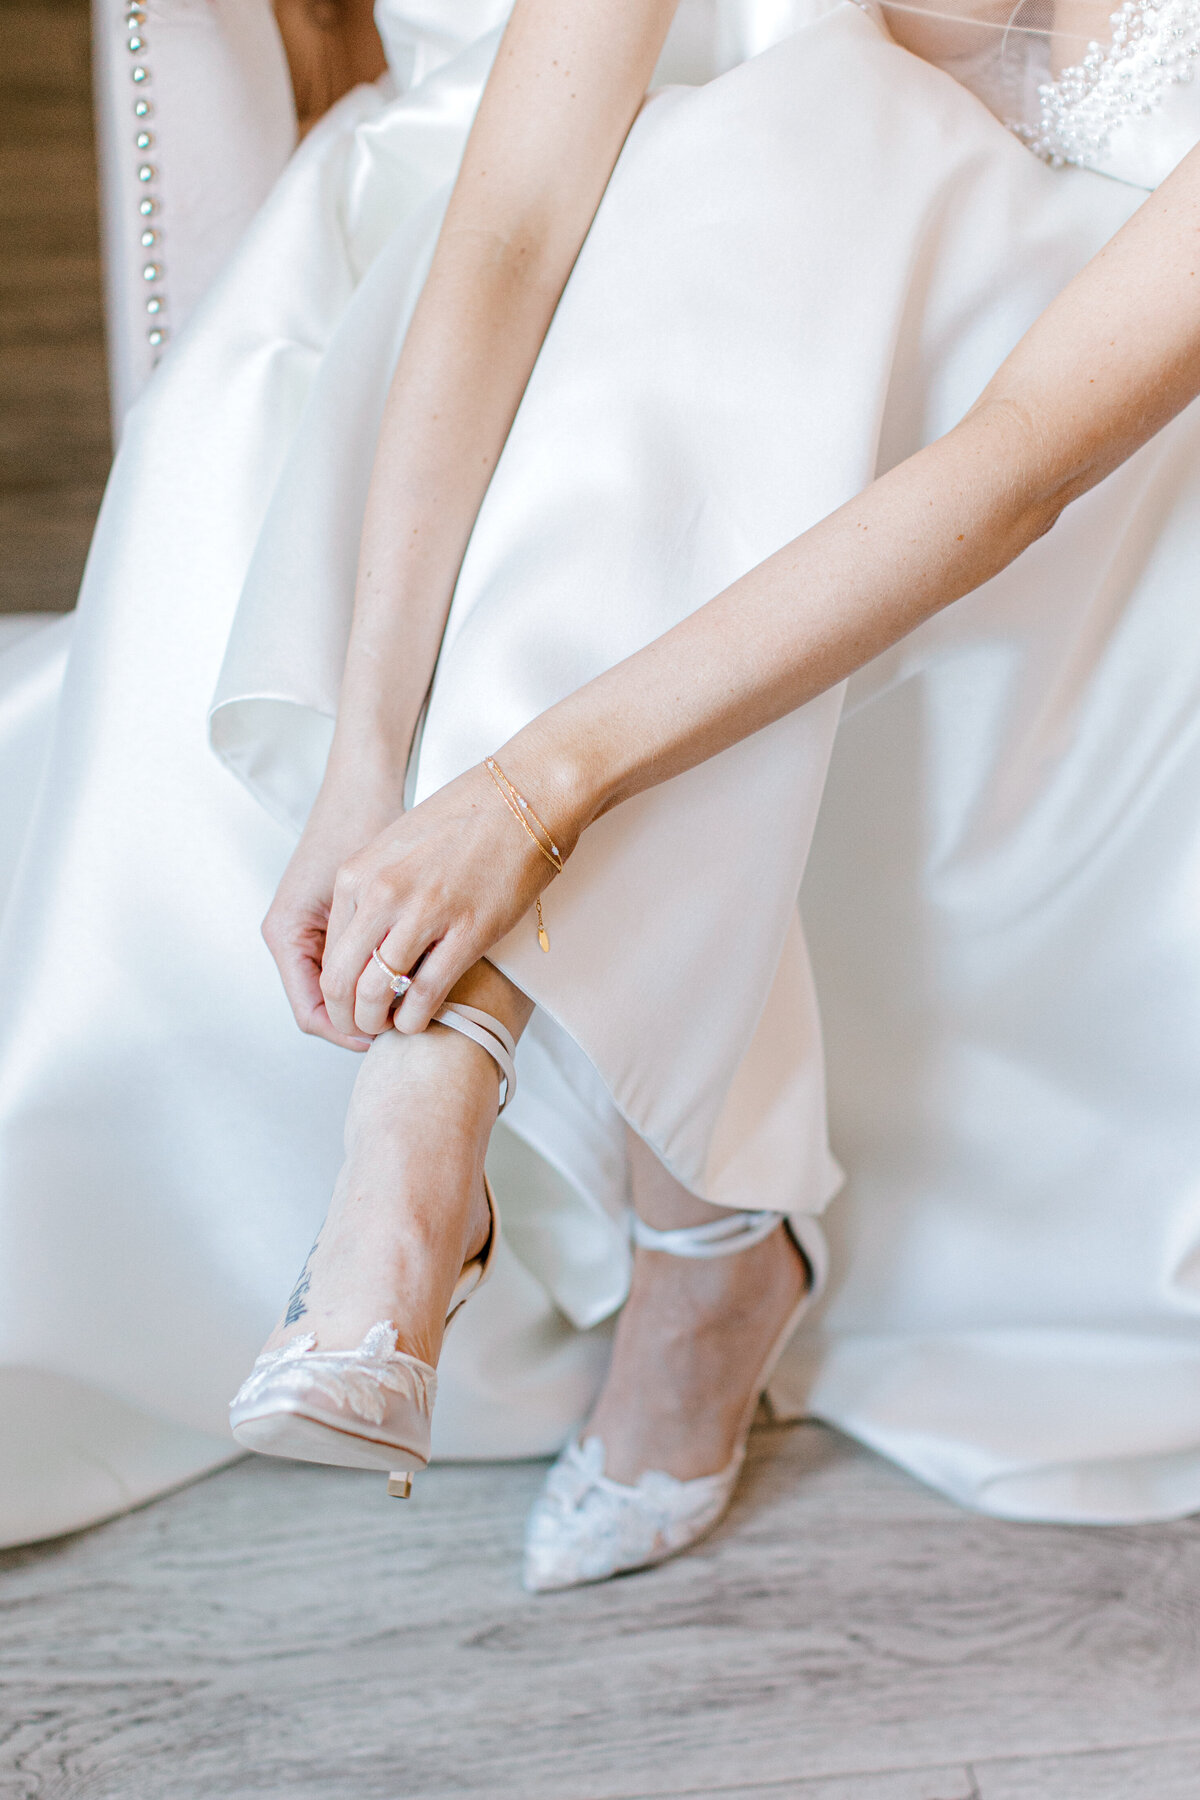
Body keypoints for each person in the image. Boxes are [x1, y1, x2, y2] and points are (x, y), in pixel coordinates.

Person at [2, 0, 1199, 1580]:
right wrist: (368, 761)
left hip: (1086, 386)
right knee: (777, 144)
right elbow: (505, 227)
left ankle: (466, 1125)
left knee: (793, 164)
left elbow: (1024, 457)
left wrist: (520, 799)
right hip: (738, 264)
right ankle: (576, 1172)